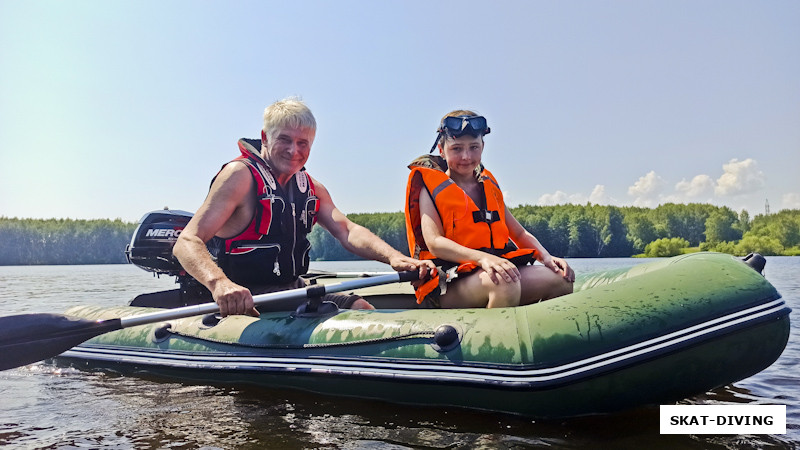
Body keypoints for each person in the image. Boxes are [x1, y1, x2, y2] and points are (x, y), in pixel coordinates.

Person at [173, 97, 434, 317]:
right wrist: (220, 285)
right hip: (246, 295)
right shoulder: (238, 176)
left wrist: (393, 257)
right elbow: (187, 240)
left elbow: (347, 230)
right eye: (284, 139)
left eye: (302, 143)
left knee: (360, 306)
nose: (293, 150)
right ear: (265, 137)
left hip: (292, 287)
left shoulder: (310, 187)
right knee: (332, 313)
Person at [404, 110, 575, 309]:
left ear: (483, 147)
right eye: (457, 149)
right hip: (448, 283)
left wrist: (546, 257)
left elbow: (518, 233)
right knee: (504, 282)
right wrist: (483, 258)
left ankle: (540, 337)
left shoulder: (488, 186)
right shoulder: (429, 186)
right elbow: (435, 243)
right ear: (442, 150)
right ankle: (494, 339)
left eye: (474, 147)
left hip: (488, 272)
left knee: (560, 278)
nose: (466, 156)